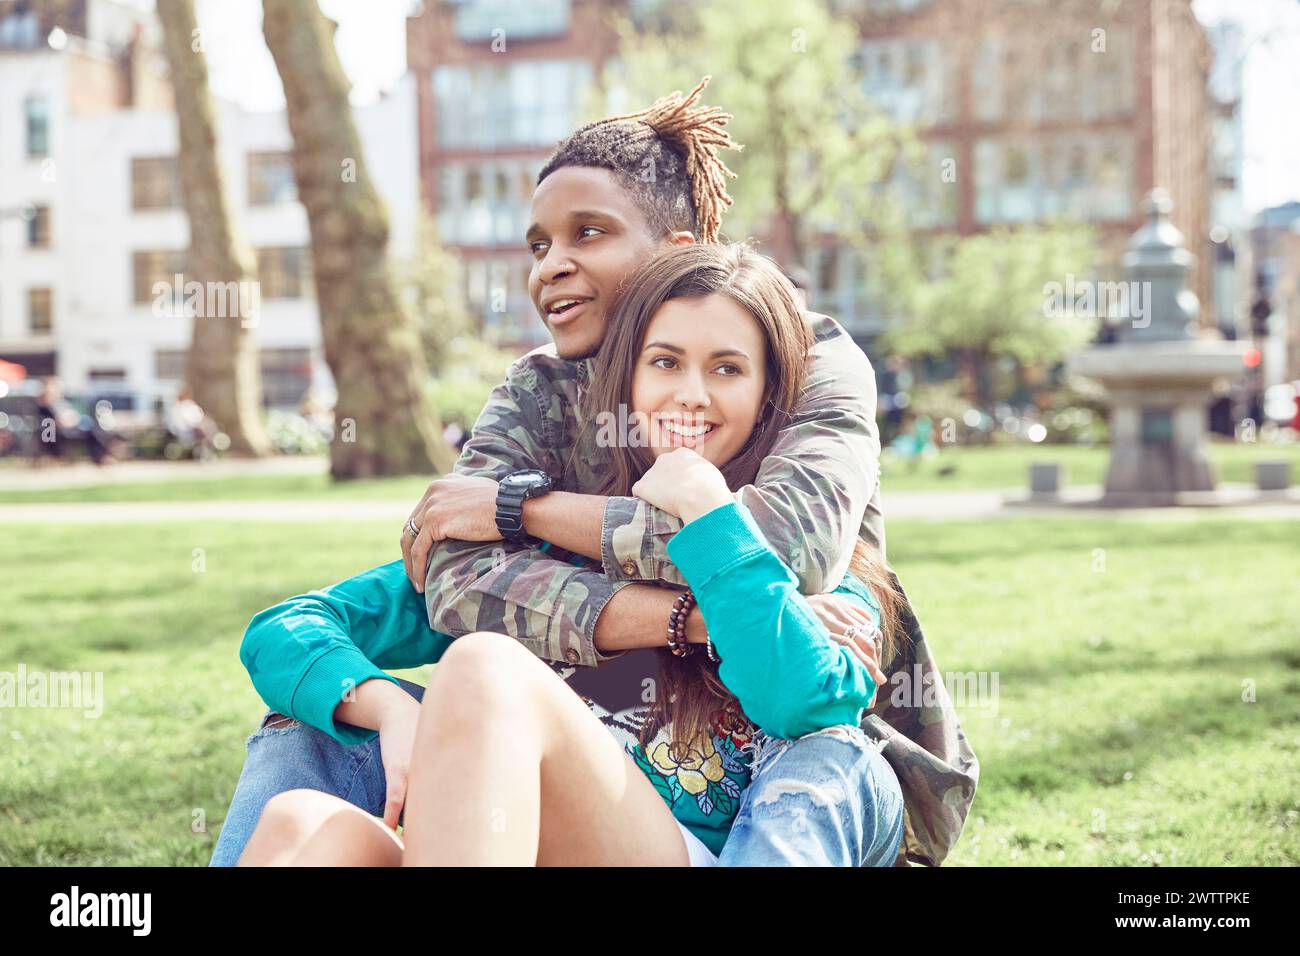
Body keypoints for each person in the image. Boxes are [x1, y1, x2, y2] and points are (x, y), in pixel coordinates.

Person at [210, 80, 977, 868]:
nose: (552, 268)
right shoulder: (542, 392)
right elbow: (451, 572)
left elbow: (783, 551)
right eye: (539, 245)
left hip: (805, 776)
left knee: (487, 671)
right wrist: (390, 711)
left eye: (588, 233)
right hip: (593, 791)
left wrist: (521, 512)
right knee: (306, 781)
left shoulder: (809, 359)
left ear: (678, 256)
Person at [238, 244, 907, 865]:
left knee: (483, 666)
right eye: (665, 362)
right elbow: (285, 629)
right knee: (299, 823)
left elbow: (804, 705)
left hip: (671, 849)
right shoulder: (546, 551)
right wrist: (393, 708)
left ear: (767, 397)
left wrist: (711, 514)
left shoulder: (803, 554)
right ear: (625, 381)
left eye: (727, 369)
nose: (691, 393)